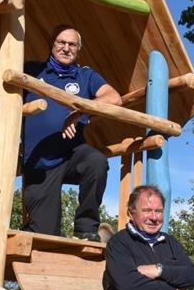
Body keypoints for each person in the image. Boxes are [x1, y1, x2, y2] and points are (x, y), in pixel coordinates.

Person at [21, 24, 122, 239]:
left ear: (78, 49)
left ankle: (86, 228)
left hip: (72, 154)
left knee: (97, 162)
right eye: (61, 42)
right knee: (45, 236)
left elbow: (114, 98)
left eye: (72, 44)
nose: (66, 48)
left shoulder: (85, 76)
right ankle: (28, 230)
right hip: (40, 163)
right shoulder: (31, 71)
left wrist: (79, 110)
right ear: (52, 44)